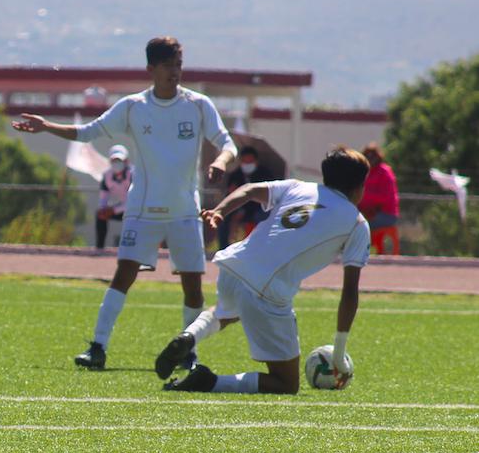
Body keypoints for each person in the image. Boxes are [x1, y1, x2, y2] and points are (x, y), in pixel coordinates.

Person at [12, 37, 237, 370]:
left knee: (192, 283)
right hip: (142, 210)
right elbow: (88, 132)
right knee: (123, 276)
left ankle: (189, 353)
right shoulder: (133, 107)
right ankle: (97, 348)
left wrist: (220, 162)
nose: (174, 72)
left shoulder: (198, 104)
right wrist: (47, 127)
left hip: (185, 212)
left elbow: (227, 144)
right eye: (167, 66)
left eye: (178, 65)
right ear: (151, 69)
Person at [156, 147, 369, 393]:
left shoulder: (298, 187)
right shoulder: (357, 223)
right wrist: (339, 354)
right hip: (267, 288)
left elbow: (249, 190)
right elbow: (350, 292)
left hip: (235, 264)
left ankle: (189, 336)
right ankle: (210, 382)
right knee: (286, 384)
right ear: (359, 187)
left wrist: (219, 211)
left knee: (227, 311)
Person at [217, 145, 276, 249]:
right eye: (245, 162)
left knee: (264, 217)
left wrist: (244, 211)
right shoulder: (235, 175)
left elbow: (268, 197)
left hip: (258, 207)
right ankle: (223, 249)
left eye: (250, 162)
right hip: (239, 207)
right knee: (223, 218)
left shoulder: (265, 174)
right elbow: (229, 196)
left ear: (256, 161)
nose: (247, 165)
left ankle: (262, 248)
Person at [358, 142, 400, 252]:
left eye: (373, 156)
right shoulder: (364, 172)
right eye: (367, 156)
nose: (370, 159)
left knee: (359, 224)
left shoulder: (385, 172)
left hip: (385, 214)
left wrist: (368, 205)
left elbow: (386, 197)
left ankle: (362, 252)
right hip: (366, 212)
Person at [95, 145, 132, 248]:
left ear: (126, 161)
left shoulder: (134, 174)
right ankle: (99, 248)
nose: (117, 163)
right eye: (114, 160)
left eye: (119, 160)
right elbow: (103, 197)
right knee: (100, 214)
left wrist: (113, 210)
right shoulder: (106, 176)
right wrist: (103, 210)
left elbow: (134, 201)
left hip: (138, 209)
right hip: (121, 209)